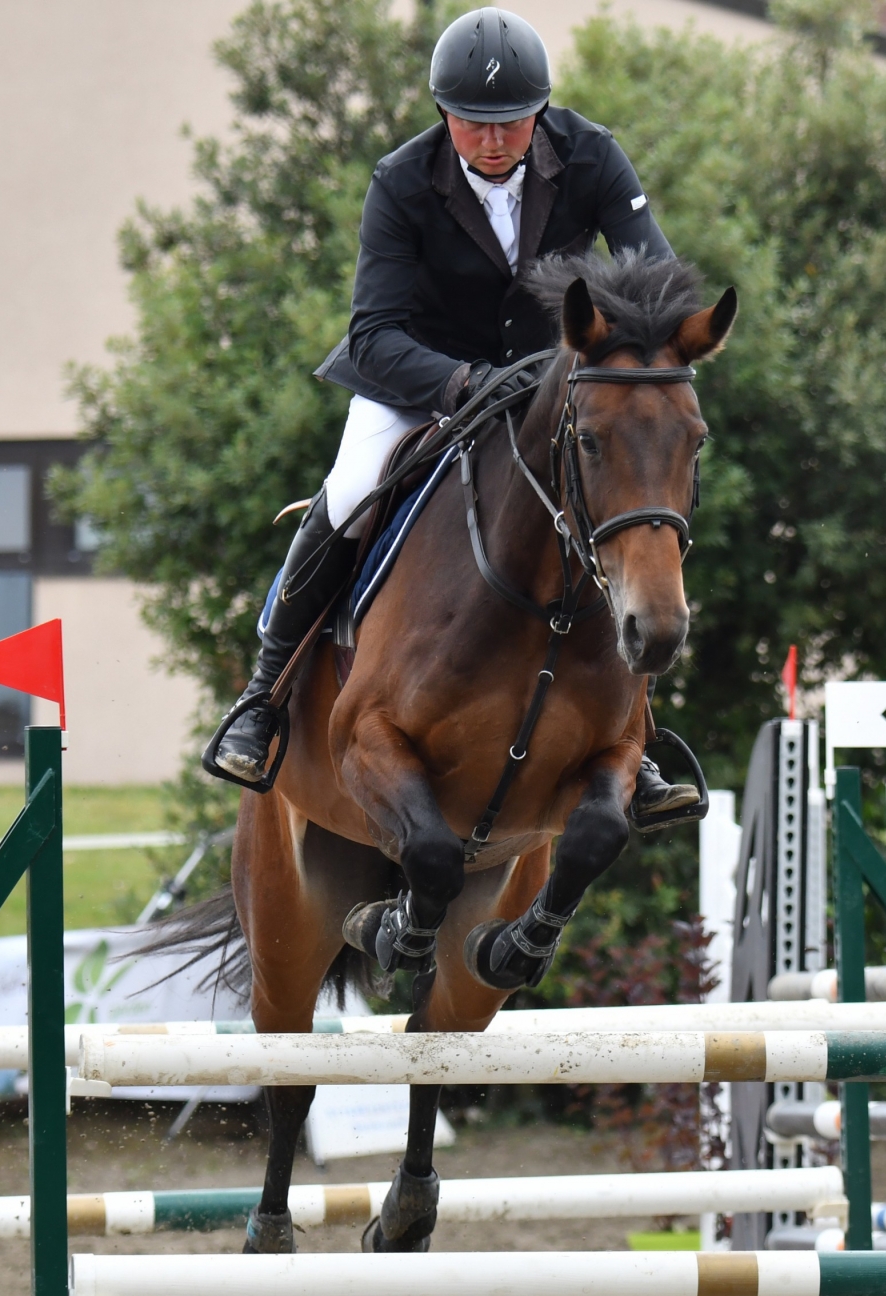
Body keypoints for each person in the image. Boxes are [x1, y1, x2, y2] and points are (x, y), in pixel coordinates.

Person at [205, 7, 699, 823]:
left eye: (511, 123)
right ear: (445, 114)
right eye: (474, 124)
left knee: (629, 492)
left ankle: (633, 739)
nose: (494, 140)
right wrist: (460, 384)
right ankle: (264, 696)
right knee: (353, 485)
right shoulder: (402, 182)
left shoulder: (592, 154)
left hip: (551, 385)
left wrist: (635, 358)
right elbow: (372, 334)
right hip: (422, 378)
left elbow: (659, 275)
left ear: (538, 113)